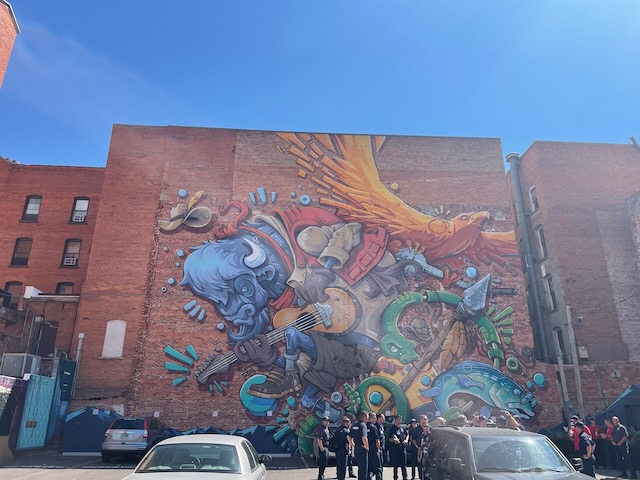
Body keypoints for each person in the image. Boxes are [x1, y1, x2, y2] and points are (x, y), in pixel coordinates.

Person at [388, 415, 409, 480]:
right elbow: (389, 439)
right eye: (399, 420)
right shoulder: (391, 429)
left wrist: (406, 440)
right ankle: (395, 477)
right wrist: (394, 440)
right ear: (396, 420)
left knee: (403, 465)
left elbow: (407, 435)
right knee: (395, 465)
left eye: (401, 420)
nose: (400, 421)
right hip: (395, 449)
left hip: (402, 449)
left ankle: (405, 477)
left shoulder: (402, 428)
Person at [351, 411, 370, 480]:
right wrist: (366, 447)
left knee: (360, 467)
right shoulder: (363, 425)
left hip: (357, 449)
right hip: (362, 449)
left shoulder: (355, 425)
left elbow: (349, 436)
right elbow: (364, 437)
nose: (368, 419)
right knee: (363, 469)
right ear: (364, 417)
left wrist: (353, 444)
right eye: (367, 417)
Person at [315, 416, 331, 480]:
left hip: (327, 447)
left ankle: (322, 474)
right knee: (322, 462)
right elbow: (319, 439)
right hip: (323, 447)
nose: (328, 422)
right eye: (326, 421)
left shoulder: (326, 428)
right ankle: (320, 476)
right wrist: (322, 448)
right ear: (323, 421)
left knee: (325, 462)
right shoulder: (321, 428)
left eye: (328, 421)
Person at [368, 413, 382, 480]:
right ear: (371, 418)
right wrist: (378, 449)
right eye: (374, 418)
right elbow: (377, 440)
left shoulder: (365, 426)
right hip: (374, 450)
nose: (375, 419)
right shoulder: (373, 427)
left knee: (369, 468)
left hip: (367, 450)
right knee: (378, 467)